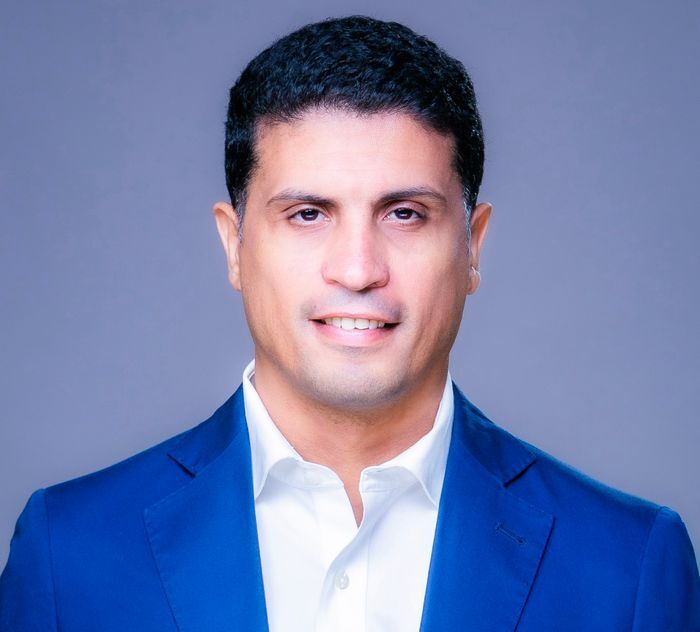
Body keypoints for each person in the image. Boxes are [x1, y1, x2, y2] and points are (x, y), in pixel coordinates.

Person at [1, 14, 698, 631]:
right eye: (308, 214)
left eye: (405, 214)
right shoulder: (70, 553)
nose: (359, 269)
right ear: (234, 246)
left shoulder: (627, 565)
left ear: (473, 247)